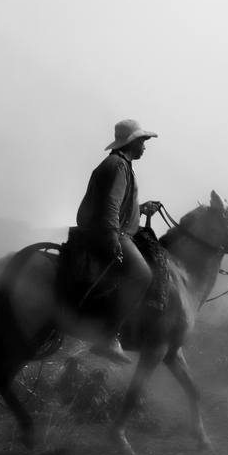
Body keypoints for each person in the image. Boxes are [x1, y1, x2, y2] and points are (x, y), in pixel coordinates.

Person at [76, 119, 162, 365]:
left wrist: (140, 208)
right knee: (143, 275)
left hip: (113, 230)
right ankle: (109, 335)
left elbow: (118, 202)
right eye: (143, 142)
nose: (145, 147)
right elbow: (112, 204)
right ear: (132, 143)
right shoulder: (118, 166)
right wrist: (113, 236)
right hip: (110, 233)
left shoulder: (120, 164)